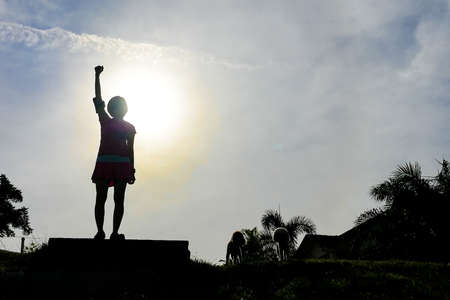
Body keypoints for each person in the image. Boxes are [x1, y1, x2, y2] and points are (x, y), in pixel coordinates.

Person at [91, 65, 136, 240]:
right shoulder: (107, 121)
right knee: (108, 199)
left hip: (114, 163)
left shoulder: (111, 123)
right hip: (115, 163)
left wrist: (131, 169)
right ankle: (104, 232)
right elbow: (98, 98)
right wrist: (97, 76)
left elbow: (131, 149)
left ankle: (110, 232)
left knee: (110, 199)